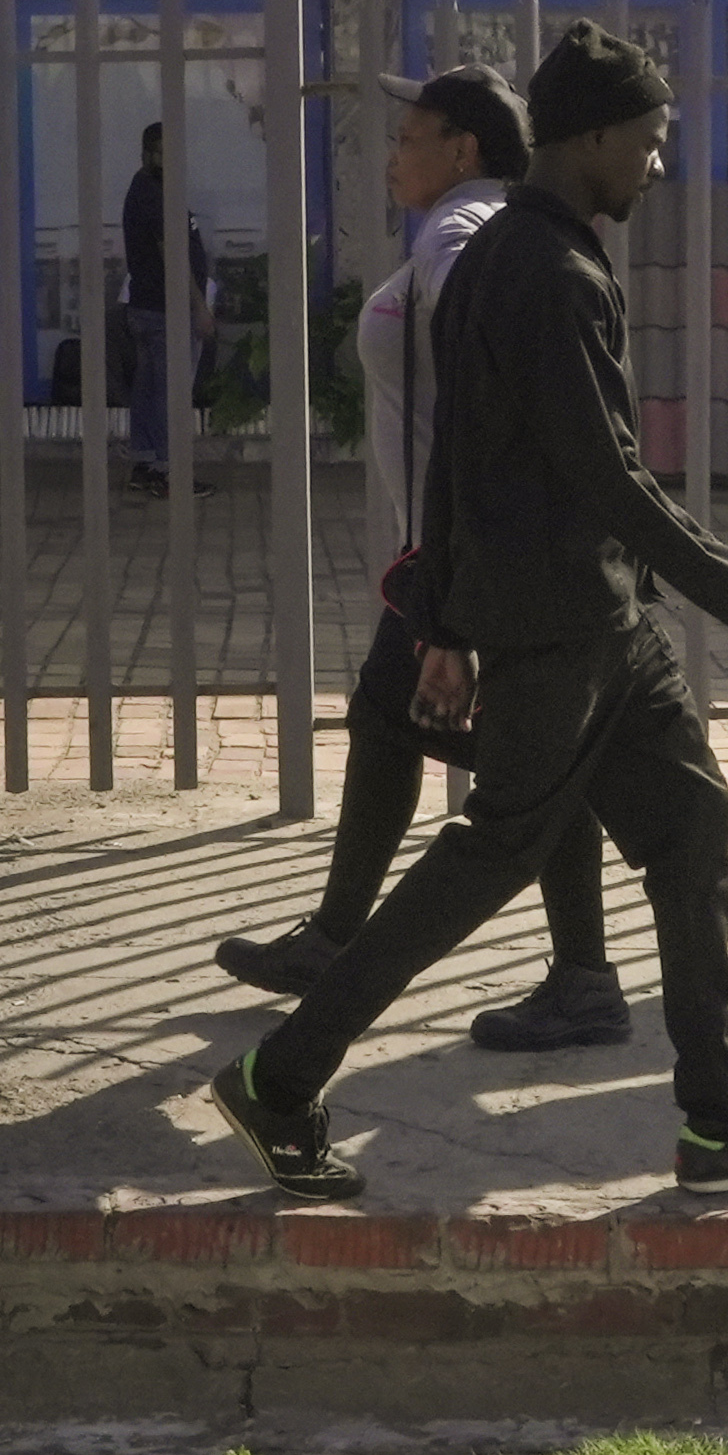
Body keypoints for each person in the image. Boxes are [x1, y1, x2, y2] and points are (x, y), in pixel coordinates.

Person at [207, 20, 728, 1202]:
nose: (659, 164)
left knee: (691, 826)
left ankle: (719, 1120)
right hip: (562, 622)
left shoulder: (512, 254)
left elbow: (455, 458)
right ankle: (281, 1075)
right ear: (594, 137)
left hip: (597, 621)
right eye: (651, 141)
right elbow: (608, 476)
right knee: (491, 853)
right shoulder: (548, 275)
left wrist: (441, 622)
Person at [213, 65, 627, 1052]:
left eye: (408, 137)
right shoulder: (468, 227)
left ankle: (570, 976)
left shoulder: (460, 233)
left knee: (535, 766)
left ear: (462, 148)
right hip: (456, 555)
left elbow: (493, 383)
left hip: (473, 563)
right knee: (404, 727)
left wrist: (456, 596)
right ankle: (350, 940)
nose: (391, 155)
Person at [119, 121, 215, 501]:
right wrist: (198, 306)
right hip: (166, 312)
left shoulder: (148, 188)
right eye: (161, 152)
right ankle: (168, 471)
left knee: (150, 390)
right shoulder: (154, 195)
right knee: (171, 395)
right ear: (147, 153)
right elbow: (172, 256)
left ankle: (146, 465)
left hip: (149, 308)